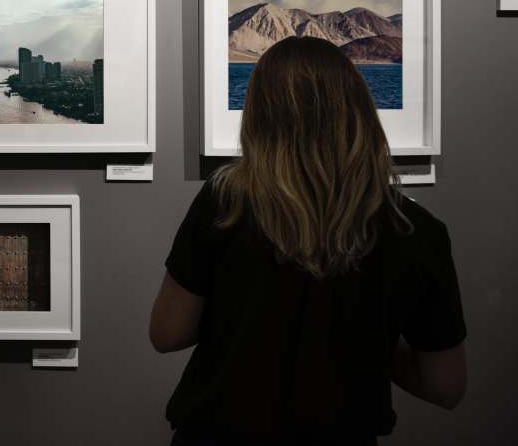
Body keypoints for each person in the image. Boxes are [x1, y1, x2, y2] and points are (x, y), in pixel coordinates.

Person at [150, 36, 466, 445]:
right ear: (360, 112)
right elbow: (445, 387)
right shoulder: (416, 229)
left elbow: (167, 334)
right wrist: (364, 339)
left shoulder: (224, 203)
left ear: (259, 115)